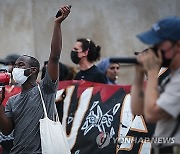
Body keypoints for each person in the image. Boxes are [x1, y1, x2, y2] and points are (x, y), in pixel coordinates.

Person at [0, 5, 70, 154]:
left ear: (33, 70)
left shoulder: (46, 89)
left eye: (20, 65)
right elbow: (6, 131)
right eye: (15, 65)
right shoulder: (13, 100)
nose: (15, 69)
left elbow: (54, 56)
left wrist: (57, 24)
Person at [131, 16, 180, 154]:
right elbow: (138, 110)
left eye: (159, 44)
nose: (153, 50)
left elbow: (152, 114)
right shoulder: (171, 78)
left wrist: (152, 73)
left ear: (178, 45)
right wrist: (139, 75)